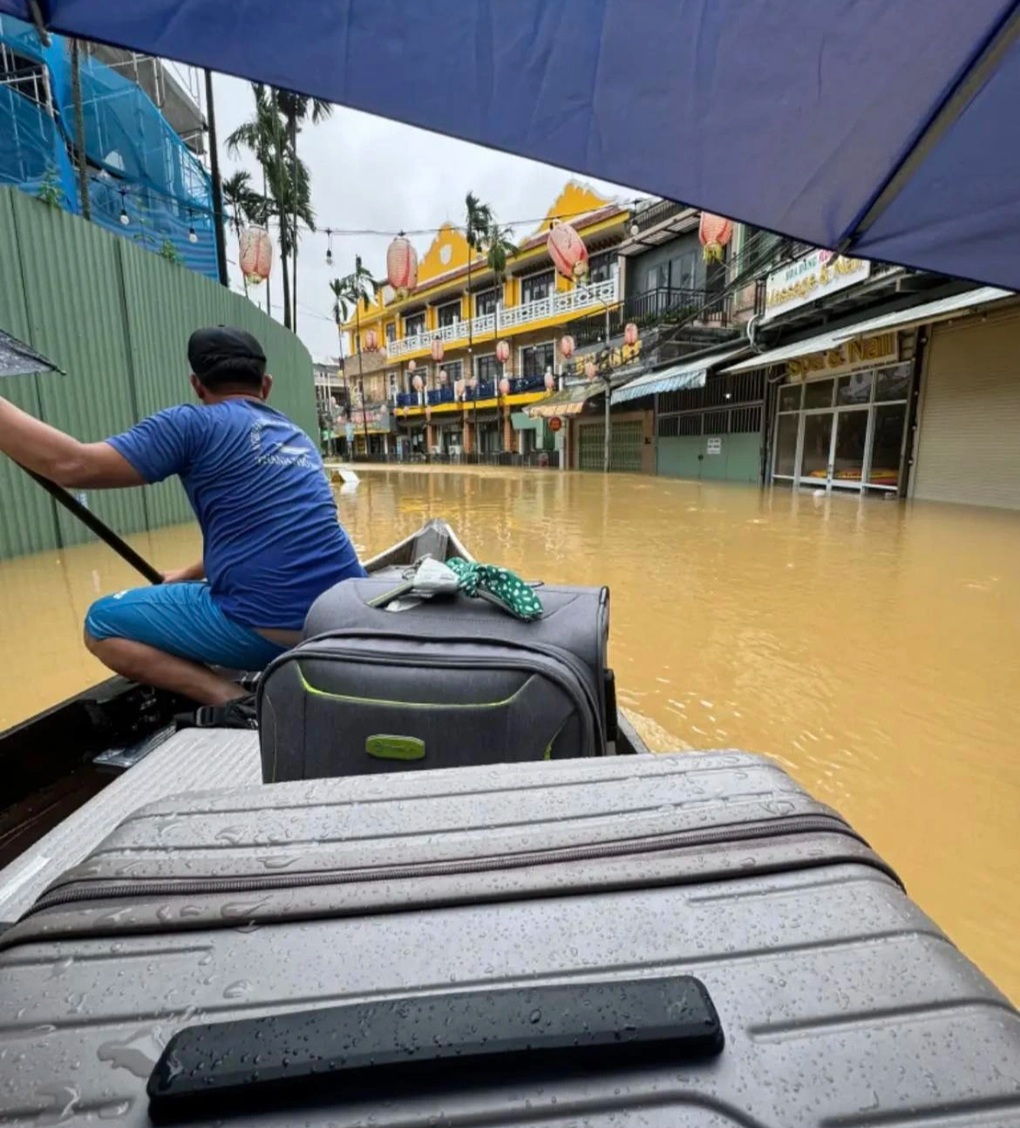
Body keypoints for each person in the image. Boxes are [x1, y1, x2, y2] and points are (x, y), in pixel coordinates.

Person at [0, 326, 366, 727]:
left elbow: (72, 465)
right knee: (197, 596)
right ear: (266, 385)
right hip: (345, 617)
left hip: (274, 633)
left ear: (196, 385)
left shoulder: (191, 424)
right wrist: (186, 575)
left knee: (100, 623)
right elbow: (272, 536)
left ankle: (238, 701)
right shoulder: (297, 438)